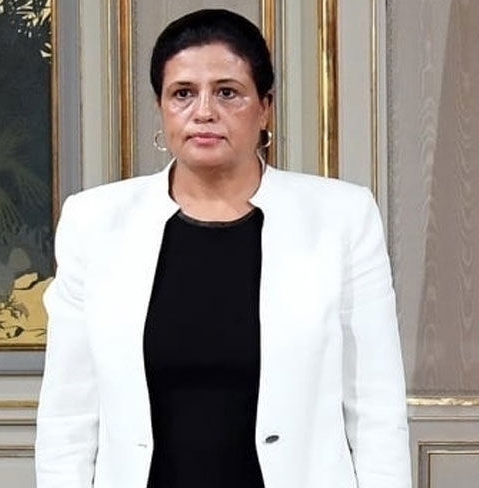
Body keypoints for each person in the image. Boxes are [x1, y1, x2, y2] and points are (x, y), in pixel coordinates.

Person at [35, 8, 410, 488]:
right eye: (182, 93)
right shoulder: (94, 222)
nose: (204, 112)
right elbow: (68, 416)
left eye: (227, 92)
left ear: (265, 107)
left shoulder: (342, 217)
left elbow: (376, 409)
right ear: (161, 107)